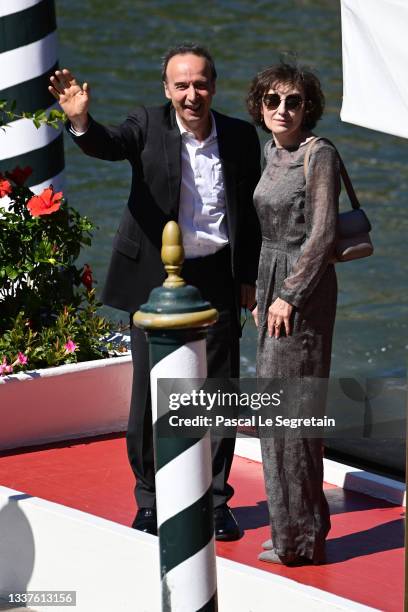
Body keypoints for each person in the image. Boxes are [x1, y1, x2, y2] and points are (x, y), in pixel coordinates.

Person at [49, 43, 261, 540]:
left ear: (214, 85)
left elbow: (248, 215)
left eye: (201, 84)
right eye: (181, 85)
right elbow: (108, 143)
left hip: (217, 275)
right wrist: (81, 121)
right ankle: (150, 498)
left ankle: (214, 499)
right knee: (152, 390)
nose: (192, 95)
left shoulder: (239, 135)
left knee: (221, 390)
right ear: (167, 89)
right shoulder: (146, 124)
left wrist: (248, 276)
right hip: (156, 278)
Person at [246, 62, 339, 565]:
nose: (283, 110)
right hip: (271, 281)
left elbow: (322, 234)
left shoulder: (318, 154)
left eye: (294, 101)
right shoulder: (270, 151)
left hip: (303, 291)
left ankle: (300, 542)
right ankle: (294, 527)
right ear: (261, 107)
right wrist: (262, 295)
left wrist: (288, 295)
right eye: (273, 101)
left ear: (309, 107)